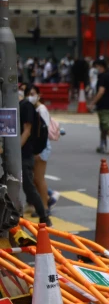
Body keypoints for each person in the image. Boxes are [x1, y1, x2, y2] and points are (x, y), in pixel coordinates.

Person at [19, 85, 50, 226]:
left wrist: (15, 149)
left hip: (25, 154)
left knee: (29, 186)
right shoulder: (16, 106)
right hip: (19, 153)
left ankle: (44, 216)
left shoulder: (26, 106)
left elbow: (27, 131)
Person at [30, 86, 60, 214]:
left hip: (41, 147)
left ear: (39, 95)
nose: (30, 96)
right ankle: (45, 202)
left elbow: (42, 131)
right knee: (35, 178)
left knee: (38, 178)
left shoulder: (41, 109)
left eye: (32, 93)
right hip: (38, 147)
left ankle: (45, 207)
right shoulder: (35, 108)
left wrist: (38, 151)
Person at [90, 59, 109, 154]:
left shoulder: (103, 76)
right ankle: (102, 145)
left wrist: (93, 102)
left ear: (100, 66)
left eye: (96, 66)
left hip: (104, 104)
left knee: (107, 125)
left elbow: (101, 91)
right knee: (103, 126)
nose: (95, 69)